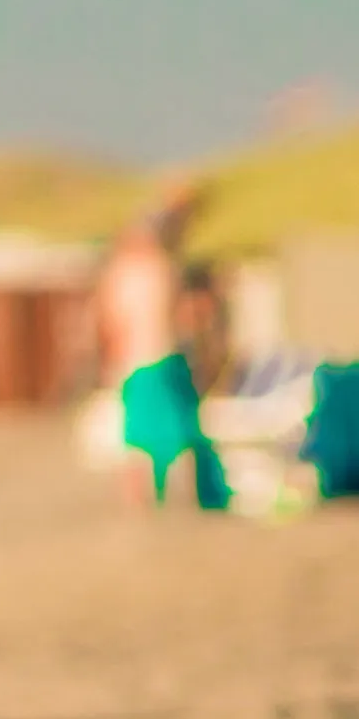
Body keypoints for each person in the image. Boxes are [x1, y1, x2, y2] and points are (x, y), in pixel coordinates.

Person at [96, 183, 223, 512]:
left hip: (145, 360)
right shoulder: (153, 271)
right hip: (154, 360)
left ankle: (151, 497)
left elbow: (112, 323)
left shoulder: (135, 272)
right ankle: (174, 496)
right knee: (170, 432)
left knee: (148, 435)